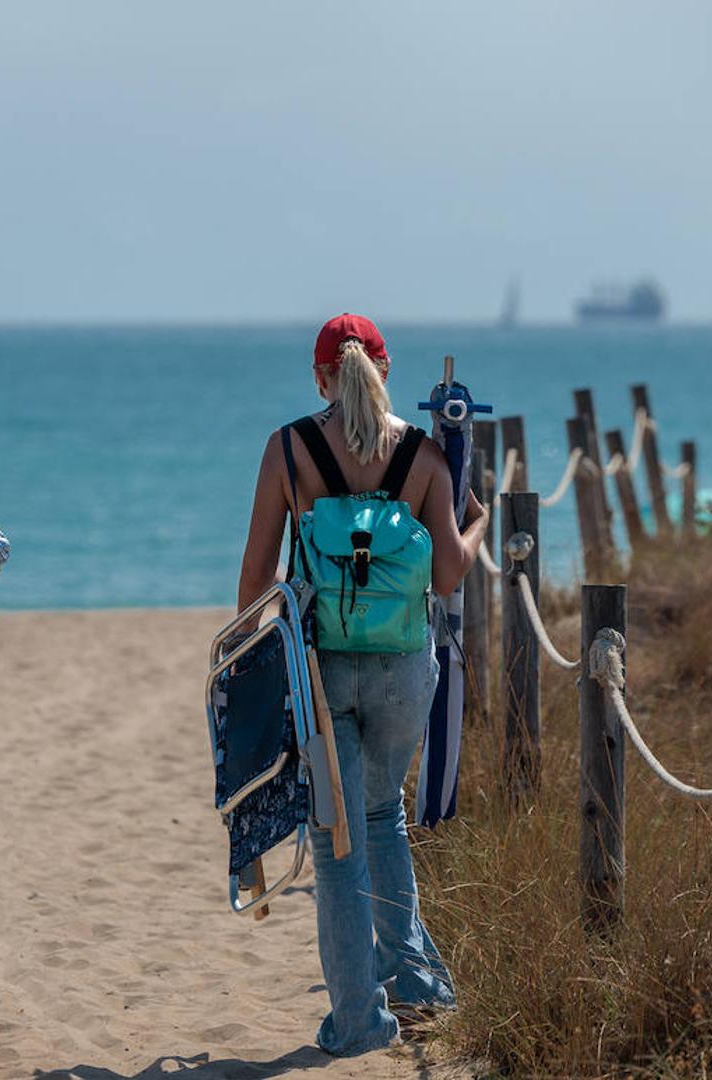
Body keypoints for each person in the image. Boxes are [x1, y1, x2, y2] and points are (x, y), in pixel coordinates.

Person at [233, 314, 489, 1056]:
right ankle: (411, 982)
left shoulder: (288, 449)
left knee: (336, 836)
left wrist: (245, 670)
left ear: (320, 377)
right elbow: (446, 574)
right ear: (385, 372)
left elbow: (257, 578)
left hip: (321, 666)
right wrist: (474, 523)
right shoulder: (425, 454)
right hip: (406, 666)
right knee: (383, 816)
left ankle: (356, 1021)